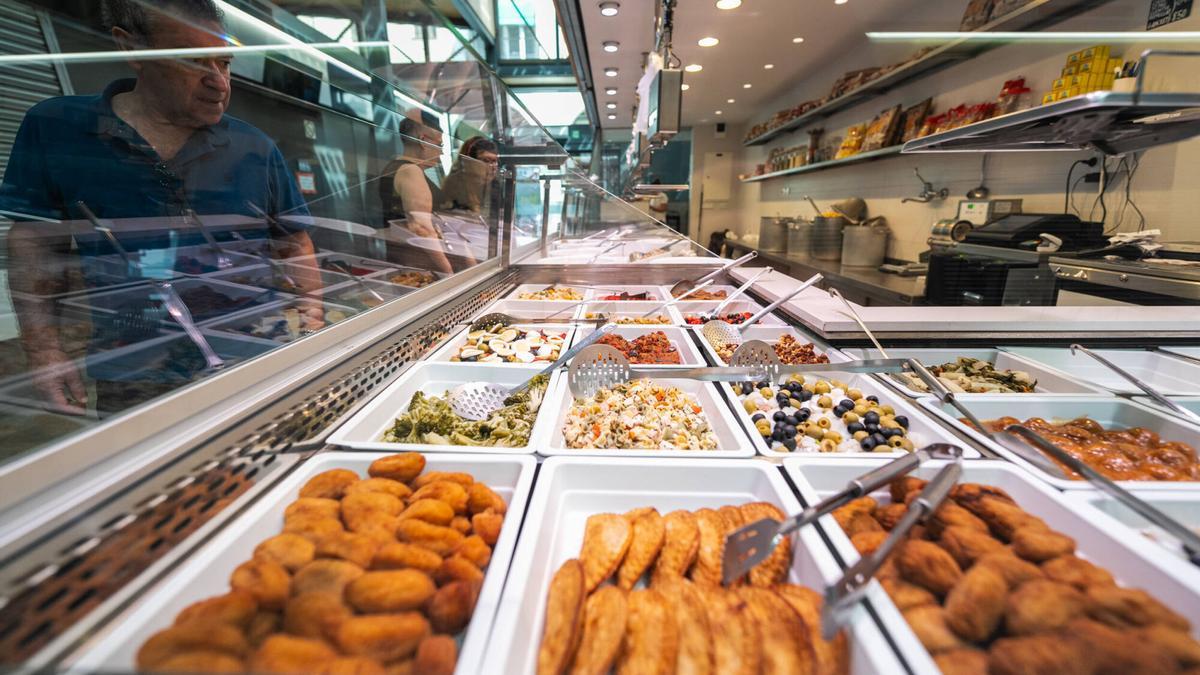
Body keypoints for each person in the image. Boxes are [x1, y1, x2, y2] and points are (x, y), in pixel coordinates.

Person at [1, 0, 320, 415]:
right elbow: (34, 244)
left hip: (256, 356)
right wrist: (44, 352)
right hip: (136, 368)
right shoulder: (57, 128)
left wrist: (314, 322)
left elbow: (295, 243)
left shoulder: (254, 147)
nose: (219, 83)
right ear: (133, 49)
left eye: (224, 64)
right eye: (194, 61)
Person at [378, 113, 475, 273]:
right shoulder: (411, 171)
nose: (442, 153)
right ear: (424, 141)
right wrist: (448, 272)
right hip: (421, 266)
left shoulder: (394, 168)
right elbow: (422, 229)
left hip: (409, 262)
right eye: (440, 145)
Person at [440, 137, 498, 215]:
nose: (493, 167)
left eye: (495, 161)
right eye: (486, 161)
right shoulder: (455, 191)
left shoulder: (495, 188)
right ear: (469, 162)